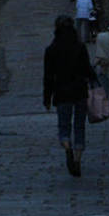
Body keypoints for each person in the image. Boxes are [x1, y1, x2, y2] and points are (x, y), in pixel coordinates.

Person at [43, 14, 98, 177]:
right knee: (79, 126)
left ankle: (67, 148)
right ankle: (77, 159)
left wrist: (47, 98)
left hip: (61, 91)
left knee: (64, 125)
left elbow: (48, 77)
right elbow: (88, 69)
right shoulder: (80, 47)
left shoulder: (51, 50)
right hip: (79, 90)